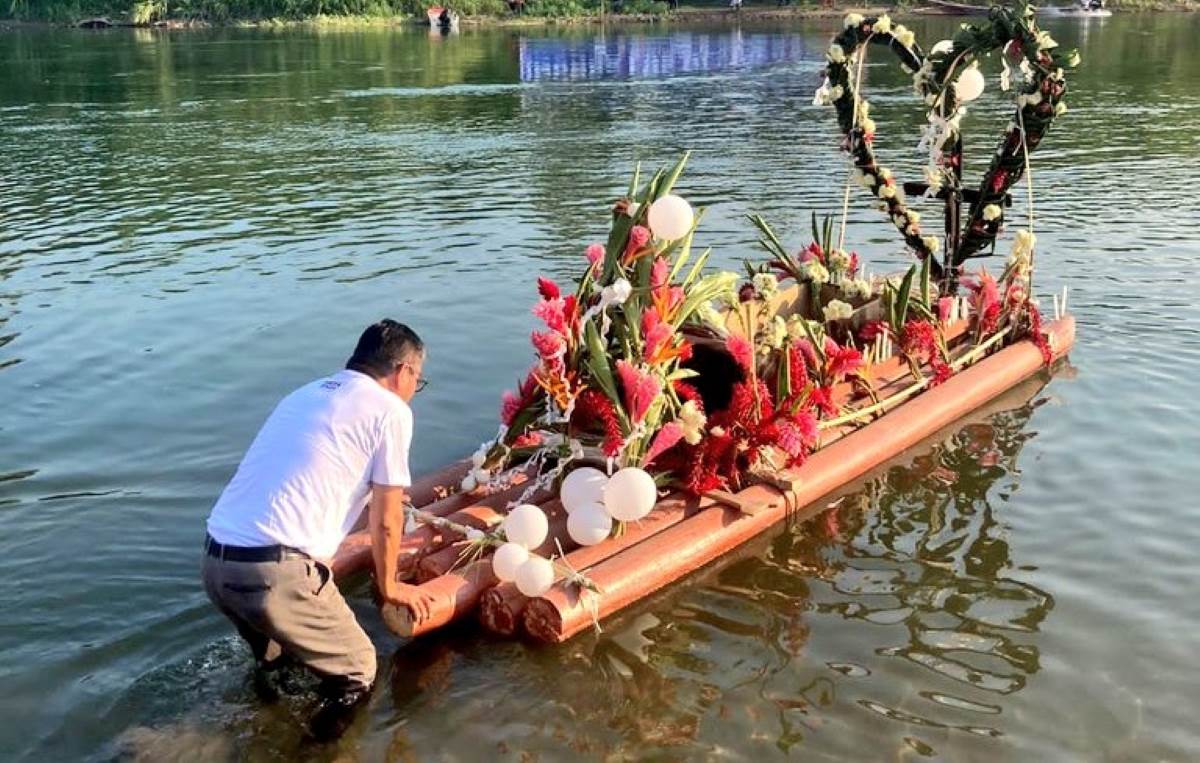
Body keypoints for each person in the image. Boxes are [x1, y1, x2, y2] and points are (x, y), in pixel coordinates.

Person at [202, 319, 437, 740]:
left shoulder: (304, 394)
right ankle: (308, 753)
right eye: (417, 381)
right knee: (359, 671)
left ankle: (245, 736)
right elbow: (386, 519)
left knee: (281, 667)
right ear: (403, 371)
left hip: (218, 563)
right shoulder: (390, 411)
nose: (412, 393)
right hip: (272, 575)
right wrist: (391, 588)